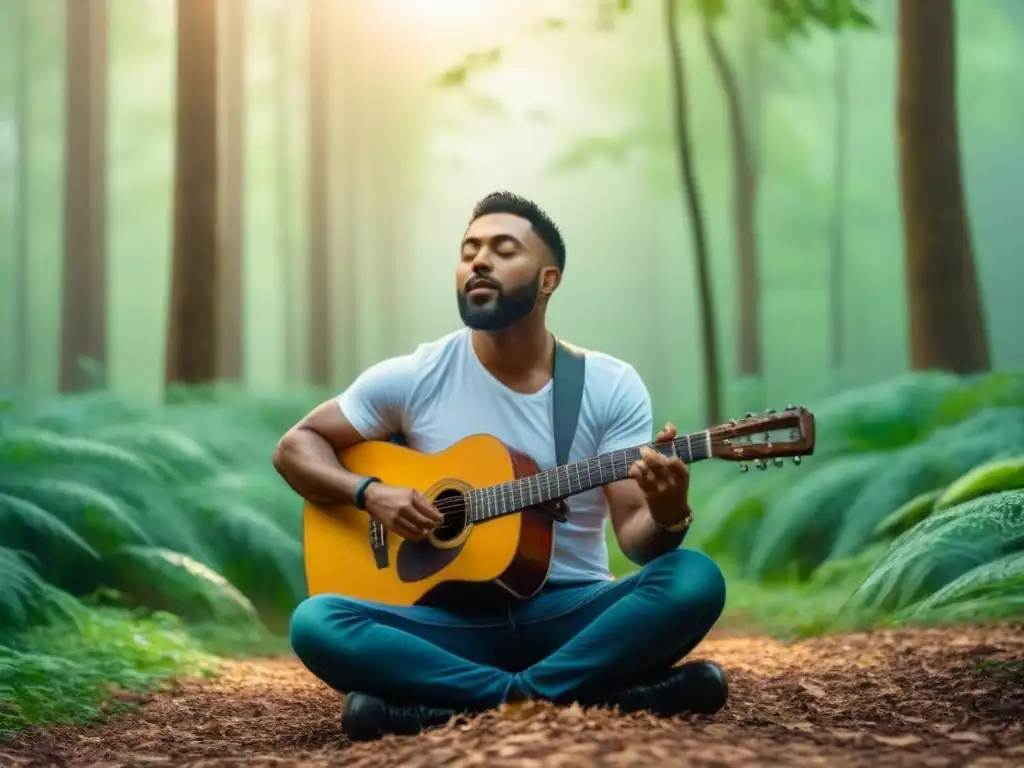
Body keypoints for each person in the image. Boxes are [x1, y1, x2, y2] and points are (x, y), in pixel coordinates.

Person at [273, 191, 728, 742]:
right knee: (318, 622)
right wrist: (371, 493)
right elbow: (296, 447)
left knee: (693, 578)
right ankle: (580, 697)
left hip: (572, 616)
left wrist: (669, 512)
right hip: (451, 624)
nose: (478, 261)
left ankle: (464, 705)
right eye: (469, 250)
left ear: (548, 280)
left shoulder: (607, 384)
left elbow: (637, 542)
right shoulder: (418, 376)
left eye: (502, 249)